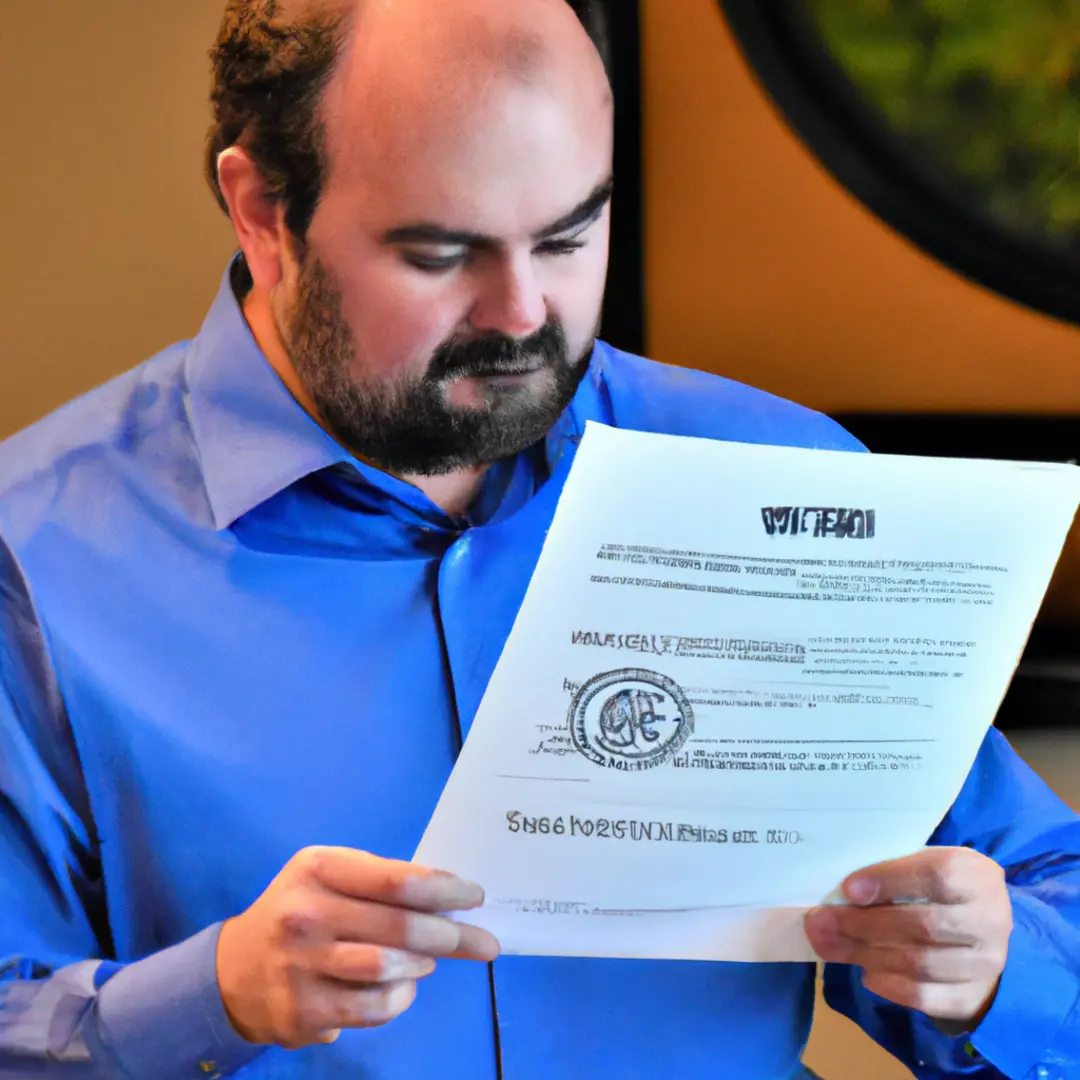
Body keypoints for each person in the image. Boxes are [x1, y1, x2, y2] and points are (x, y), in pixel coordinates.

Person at [0, 0, 1077, 1077]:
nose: (522, 315)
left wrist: (987, 962)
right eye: (439, 253)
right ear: (260, 211)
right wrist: (214, 994)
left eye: (568, 237)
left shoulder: (783, 477)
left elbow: (1040, 902)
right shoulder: (36, 559)